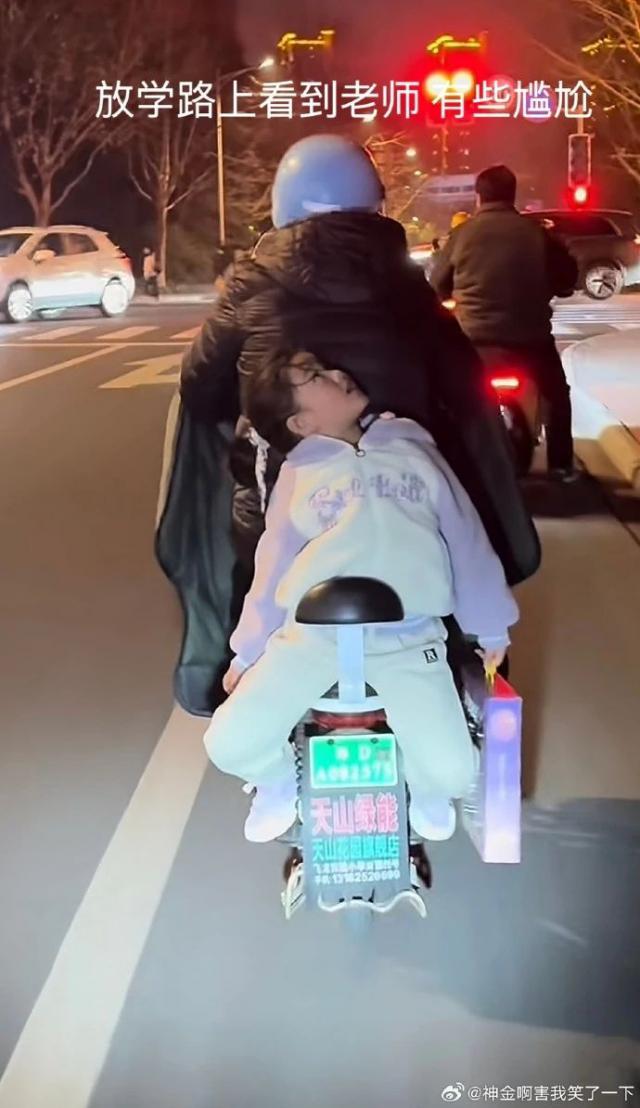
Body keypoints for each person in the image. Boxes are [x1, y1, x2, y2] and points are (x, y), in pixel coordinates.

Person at [156, 135, 539, 717]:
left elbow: (200, 388)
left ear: (284, 204)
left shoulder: (251, 285)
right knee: (451, 544)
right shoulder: (408, 287)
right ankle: (464, 675)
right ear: (373, 202)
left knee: (256, 565)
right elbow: (465, 389)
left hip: (281, 516)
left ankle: (243, 681)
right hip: (404, 517)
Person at [204, 349, 518, 843]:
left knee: (454, 773)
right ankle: (278, 781)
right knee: (228, 742)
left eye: (324, 367)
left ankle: (425, 793)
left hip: (410, 640)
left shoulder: (415, 450)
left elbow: (466, 538)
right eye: (315, 376)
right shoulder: (297, 476)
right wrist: (247, 652)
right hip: (310, 640)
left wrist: (491, 624)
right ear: (301, 422)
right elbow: (273, 566)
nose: (337, 373)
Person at [430, 164, 579, 482]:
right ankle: (561, 465)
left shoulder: (461, 235)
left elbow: (437, 283)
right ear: (512, 195)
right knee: (556, 394)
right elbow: (566, 280)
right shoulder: (537, 234)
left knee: (448, 394)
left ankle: (452, 461)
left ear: (478, 196)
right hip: (531, 339)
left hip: (475, 340)